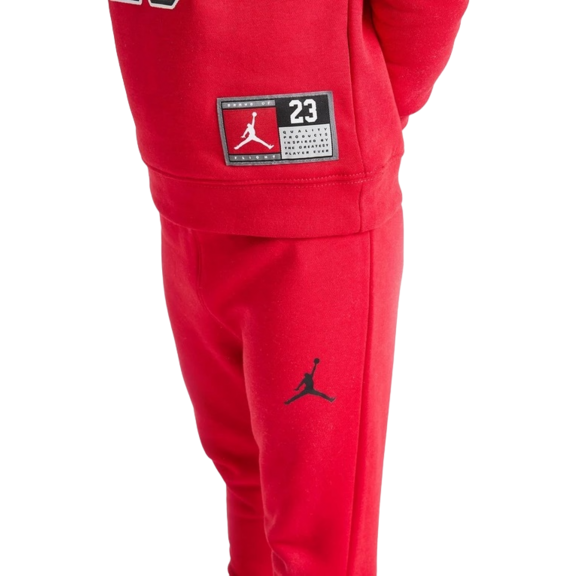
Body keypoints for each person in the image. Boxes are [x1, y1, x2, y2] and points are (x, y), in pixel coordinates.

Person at [107, 0, 469, 574]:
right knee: (252, 482)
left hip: (302, 196)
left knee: (314, 539)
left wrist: (366, 96)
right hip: (189, 184)